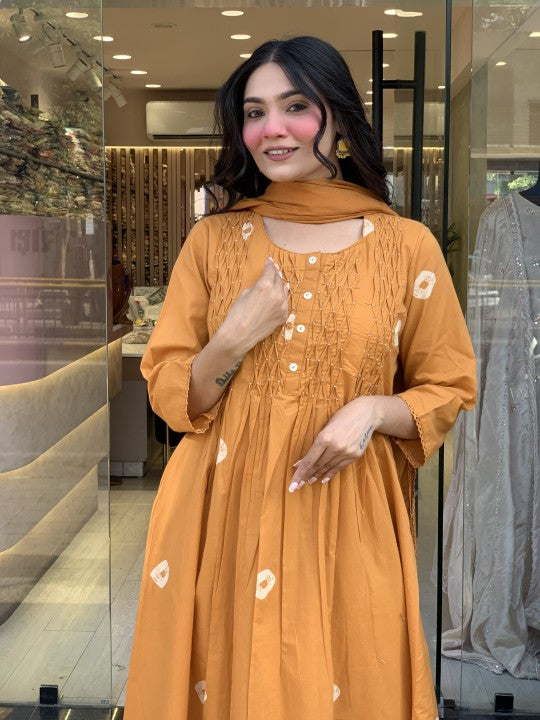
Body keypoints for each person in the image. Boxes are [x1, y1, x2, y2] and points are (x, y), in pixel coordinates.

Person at [124, 35, 476, 720]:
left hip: (346, 509)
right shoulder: (213, 241)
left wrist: (370, 411)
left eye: (295, 106)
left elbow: (449, 385)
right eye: (255, 113)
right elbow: (173, 395)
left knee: (345, 677)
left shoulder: (405, 246)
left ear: (337, 117)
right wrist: (233, 336)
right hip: (221, 509)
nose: (272, 129)